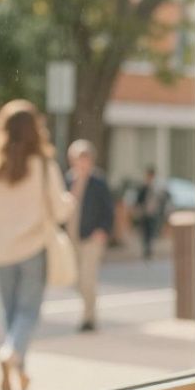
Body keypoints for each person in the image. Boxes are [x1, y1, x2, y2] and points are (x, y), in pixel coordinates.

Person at [0, 100, 76, 390]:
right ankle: (12, 355)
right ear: (34, 129)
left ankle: (19, 369)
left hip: (1, 252)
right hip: (33, 249)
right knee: (28, 314)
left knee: (11, 315)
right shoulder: (43, 165)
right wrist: (70, 201)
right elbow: (59, 211)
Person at [65, 139, 114, 332]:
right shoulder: (68, 179)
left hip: (91, 238)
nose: (82, 163)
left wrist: (103, 230)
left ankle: (89, 318)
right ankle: (88, 311)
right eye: (78, 159)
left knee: (88, 279)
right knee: (75, 279)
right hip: (71, 237)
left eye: (85, 158)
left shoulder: (98, 182)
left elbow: (108, 210)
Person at [131, 166, 167, 260]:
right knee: (144, 232)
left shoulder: (158, 187)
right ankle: (146, 250)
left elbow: (163, 200)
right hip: (144, 212)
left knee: (151, 232)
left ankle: (149, 250)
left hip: (154, 213)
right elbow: (138, 199)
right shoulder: (144, 186)